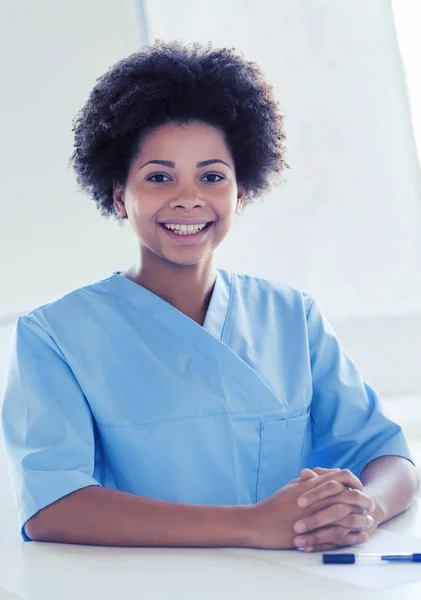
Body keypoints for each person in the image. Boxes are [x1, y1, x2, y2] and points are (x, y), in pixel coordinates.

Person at [1, 40, 418, 553]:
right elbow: (52, 505)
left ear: (240, 193)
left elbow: (386, 454)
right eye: (158, 177)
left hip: (298, 584)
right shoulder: (55, 336)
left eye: (212, 176)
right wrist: (251, 525)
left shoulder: (292, 316)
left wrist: (366, 509)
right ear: (118, 195)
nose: (187, 196)